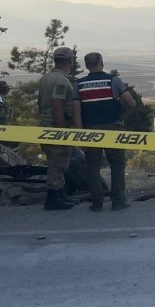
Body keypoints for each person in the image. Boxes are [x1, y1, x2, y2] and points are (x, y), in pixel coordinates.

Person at [77, 52, 136, 212]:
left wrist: (79, 131)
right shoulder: (113, 80)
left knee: (92, 166)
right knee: (117, 164)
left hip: (90, 130)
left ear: (87, 66)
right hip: (113, 128)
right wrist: (121, 113)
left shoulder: (80, 84)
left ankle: (97, 202)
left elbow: (76, 110)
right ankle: (118, 200)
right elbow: (131, 103)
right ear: (102, 63)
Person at [36, 46, 79, 210]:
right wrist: (62, 131)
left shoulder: (47, 78)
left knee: (57, 161)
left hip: (46, 125)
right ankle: (54, 198)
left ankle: (61, 195)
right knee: (58, 162)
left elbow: (40, 103)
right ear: (70, 60)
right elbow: (57, 105)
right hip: (55, 126)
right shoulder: (61, 81)